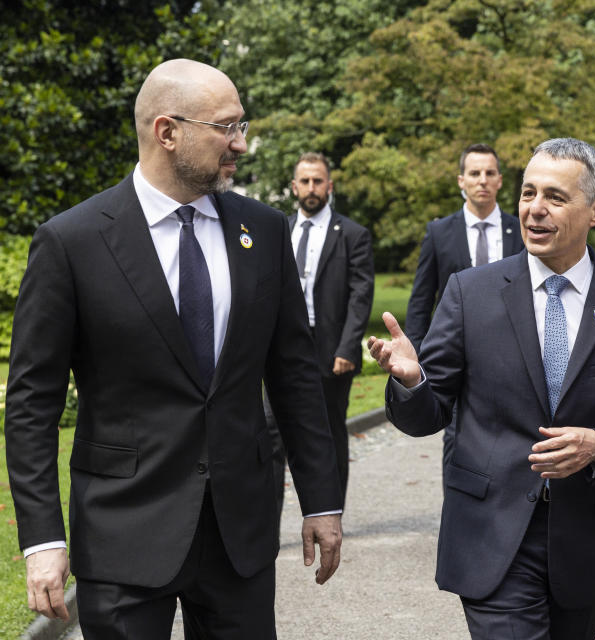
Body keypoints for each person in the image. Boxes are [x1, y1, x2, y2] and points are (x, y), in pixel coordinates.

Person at [4, 59, 343, 639]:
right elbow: (31, 405)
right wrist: (43, 540)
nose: (242, 143)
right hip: (123, 532)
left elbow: (293, 377)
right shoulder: (72, 241)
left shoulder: (262, 230)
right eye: (227, 127)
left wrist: (322, 501)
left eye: (242, 125)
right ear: (168, 132)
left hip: (240, 533)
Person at [369, 138, 595, 639]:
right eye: (528, 192)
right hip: (491, 534)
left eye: (555, 197)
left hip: (583, 544)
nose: (535, 208)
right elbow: (427, 415)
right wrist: (412, 381)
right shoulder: (470, 293)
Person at [278, 151, 375, 504]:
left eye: (318, 181)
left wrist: (348, 347)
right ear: (294, 187)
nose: (311, 187)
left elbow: (361, 295)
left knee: (330, 432)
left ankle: (330, 511)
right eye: (304, 181)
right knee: (273, 434)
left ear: (330, 186)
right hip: (284, 346)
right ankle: (269, 524)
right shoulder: (278, 229)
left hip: (330, 346)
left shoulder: (352, 235)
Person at [404, 143, 523, 352]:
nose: (483, 180)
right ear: (462, 181)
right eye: (475, 173)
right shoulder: (438, 233)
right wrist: (415, 352)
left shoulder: (522, 231)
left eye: (490, 173)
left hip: (511, 347)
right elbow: (421, 301)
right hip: (453, 346)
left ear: (500, 180)